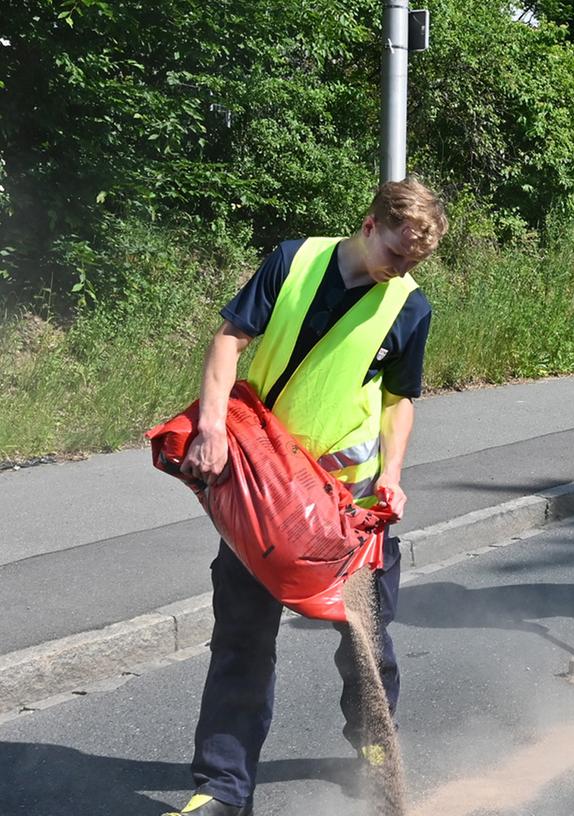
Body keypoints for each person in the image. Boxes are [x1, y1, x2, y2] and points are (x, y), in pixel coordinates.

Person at [162, 177, 448, 816]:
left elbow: (400, 403)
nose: (400, 271)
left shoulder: (409, 307)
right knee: (241, 636)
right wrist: (211, 426)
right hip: (264, 490)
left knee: (366, 640)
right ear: (371, 225)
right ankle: (222, 789)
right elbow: (230, 342)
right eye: (396, 255)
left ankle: (376, 750)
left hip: (348, 501)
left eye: (414, 263)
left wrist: (395, 475)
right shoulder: (293, 261)